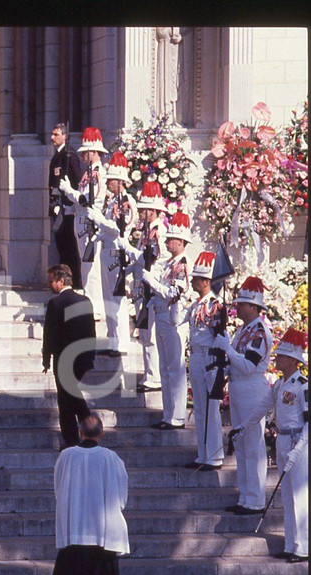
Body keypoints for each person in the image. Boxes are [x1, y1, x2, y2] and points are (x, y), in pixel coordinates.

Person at [229, 328, 309, 562]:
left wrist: (299, 449)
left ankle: (303, 547)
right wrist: (244, 425)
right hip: (283, 439)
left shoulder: (302, 385)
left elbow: (310, 422)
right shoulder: (280, 385)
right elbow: (263, 406)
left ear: (294, 361)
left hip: (298, 442)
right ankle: (290, 543)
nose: (277, 359)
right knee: (286, 497)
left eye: (282, 357)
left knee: (300, 496)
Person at [43, 414, 129, 575]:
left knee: (74, 561)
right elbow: (121, 491)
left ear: (80, 433)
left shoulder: (67, 456)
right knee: (100, 564)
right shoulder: (111, 458)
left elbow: (59, 485)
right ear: (102, 433)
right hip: (102, 525)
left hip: (76, 519)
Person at [211, 276, 273, 516]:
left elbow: (248, 365)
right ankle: (246, 497)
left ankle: (256, 500)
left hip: (252, 389)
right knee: (241, 444)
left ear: (254, 308)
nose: (237, 306)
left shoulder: (259, 332)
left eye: (242, 304)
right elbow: (236, 362)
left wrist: (227, 350)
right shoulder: (242, 331)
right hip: (239, 388)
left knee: (253, 445)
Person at [138, 211, 191, 429]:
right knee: (165, 369)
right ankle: (168, 415)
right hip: (161, 316)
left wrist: (152, 283)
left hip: (172, 319)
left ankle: (177, 416)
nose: (167, 242)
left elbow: (173, 293)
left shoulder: (181, 265)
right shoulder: (169, 263)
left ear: (181, 243)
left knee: (174, 369)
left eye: (171, 240)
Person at [42, 264, 96, 448]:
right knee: (71, 395)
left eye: (51, 281)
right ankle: (89, 432)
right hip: (82, 358)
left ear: (61, 281)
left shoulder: (55, 303)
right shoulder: (85, 301)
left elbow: (50, 334)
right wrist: (90, 357)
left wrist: (46, 359)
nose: (49, 285)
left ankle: (75, 439)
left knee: (66, 402)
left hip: (64, 360)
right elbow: (91, 331)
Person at [88, 150, 136, 356]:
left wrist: (98, 220)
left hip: (117, 254)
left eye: (112, 180)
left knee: (117, 300)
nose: (107, 183)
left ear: (120, 181)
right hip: (107, 252)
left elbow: (119, 228)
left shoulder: (126, 202)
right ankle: (113, 340)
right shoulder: (113, 202)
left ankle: (122, 343)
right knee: (108, 298)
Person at [58, 126, 107, 321]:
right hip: (82, 222)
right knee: (85, 266)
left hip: (90, 224)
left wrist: (68, 190)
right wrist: (69, 209)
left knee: (90, 267)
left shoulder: (96, 174)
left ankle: (94, 307)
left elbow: (87, 200)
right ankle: (90, 302)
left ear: (93, 152)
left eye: (85, 153)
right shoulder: (88, 173)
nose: (83, 156)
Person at [184, 251, 226, 470]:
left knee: (210, 408)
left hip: (209, 356)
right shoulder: (195, 305)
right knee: (200, 408)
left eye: (196, 279)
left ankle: (214, 455)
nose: (192, 281)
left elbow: (220, 335)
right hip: (197, 356)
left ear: (206, 281)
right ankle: (203, 454)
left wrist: (218, 365)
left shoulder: (215, 306)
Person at [126, 181, 168, 393]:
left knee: (150, 334)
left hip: (151, 286)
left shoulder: (158, 231)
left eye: (144, 210)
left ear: (153, 211)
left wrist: (132, 253)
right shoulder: (148, 230)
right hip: (142, 285)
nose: (141, 213)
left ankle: (154, 376)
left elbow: (153, 258)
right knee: (144, 333)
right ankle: (149, 374)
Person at [48, 123, 84, 289]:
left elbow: (77, 181)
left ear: (65, 136)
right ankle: (64, 282)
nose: (52, 137)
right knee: (61, 245)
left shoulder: (69, 154)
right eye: (52, 134)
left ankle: (73, 282)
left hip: (67, 210)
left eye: (56, 134)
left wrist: (69, 202)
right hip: (58, 207)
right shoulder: (58, 154)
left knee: (68, 247)